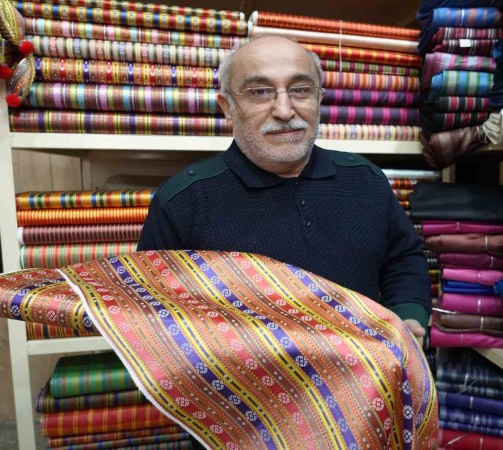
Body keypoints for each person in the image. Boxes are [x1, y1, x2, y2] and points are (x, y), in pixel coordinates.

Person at [138, 35, 431, 340]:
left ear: (319, 99)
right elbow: (153, 312)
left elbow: (402, 258)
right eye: (260, 92)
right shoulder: (184, 201)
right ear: (228, 107)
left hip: (365, 367)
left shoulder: (365, 180)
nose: (284, 110)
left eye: (300, 90)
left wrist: (408, 315)